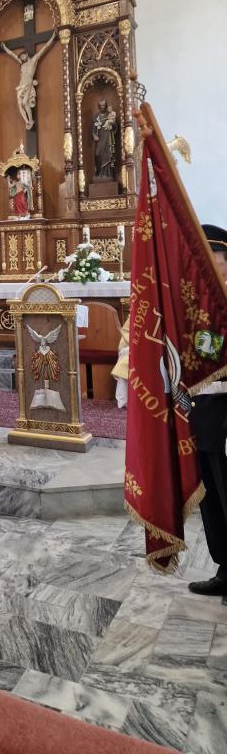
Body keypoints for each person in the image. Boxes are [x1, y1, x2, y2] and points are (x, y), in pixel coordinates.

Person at [188, 224, 227, 597]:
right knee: (212, 496)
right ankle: (225, 568)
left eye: (213, 259)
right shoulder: (199, 305)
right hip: (205, 414)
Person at [1, 30, 56, 130]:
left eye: (22, 56)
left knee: (25, 102)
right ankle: (27, 121)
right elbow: (12, 54)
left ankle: (31, 120)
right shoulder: (21, 63)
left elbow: (45, 47)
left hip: (28, 83)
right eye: (21, 57)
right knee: (19, 104)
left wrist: (53, 36)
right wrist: (5, 48)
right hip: (21, 85)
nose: (21, 58)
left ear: (26, 54)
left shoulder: (34, 60)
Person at [92, 98, 119, 180]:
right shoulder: (96, 116)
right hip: (100, 139)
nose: (102, 107)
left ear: (106, 106)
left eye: (103, 105)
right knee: (97, 154)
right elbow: (93, 128)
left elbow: (115, 127)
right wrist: (94, 135)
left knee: (107, 155)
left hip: (108, 138)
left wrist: (112, 123)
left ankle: (107, 174)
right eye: (100, 105)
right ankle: (99, 172)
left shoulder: (110, 114)